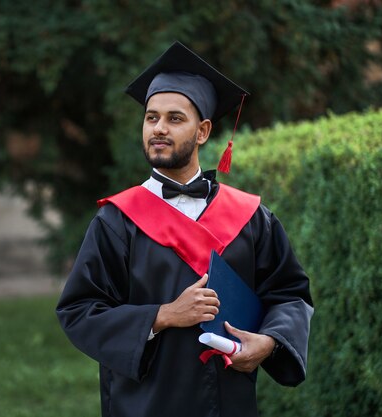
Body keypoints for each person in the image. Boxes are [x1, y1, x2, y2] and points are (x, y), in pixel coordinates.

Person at [55, 41, 313, 417]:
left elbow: (289, 294)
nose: (159, 129)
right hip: (146, 403)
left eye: (175, 118)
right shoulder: (117, 221)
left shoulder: (252, 217)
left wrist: (271, 343)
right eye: (151, 117)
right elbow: (79, 310)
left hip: (229, 403)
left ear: (203, 131)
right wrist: (162, 315)